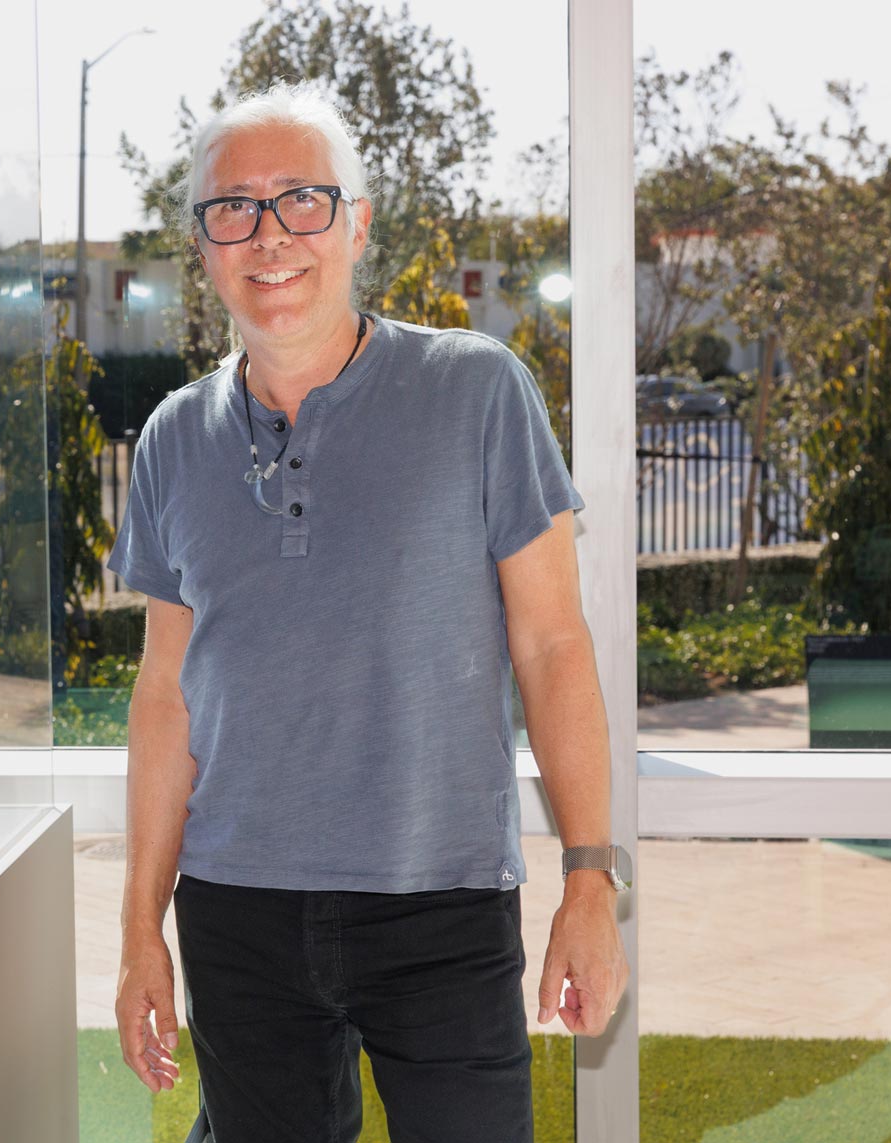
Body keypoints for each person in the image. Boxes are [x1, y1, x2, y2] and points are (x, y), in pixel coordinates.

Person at [107, 81, 629, 1143]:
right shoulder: (172, 438)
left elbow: (553, 644)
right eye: (232, 208)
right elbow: (166, 696)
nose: (267, 235)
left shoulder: (477, 391)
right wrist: (137, 933)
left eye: (300, 199)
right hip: (236, 911)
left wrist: (587, 878)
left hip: (439, 905)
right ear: (203, 245)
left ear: (356, 222)